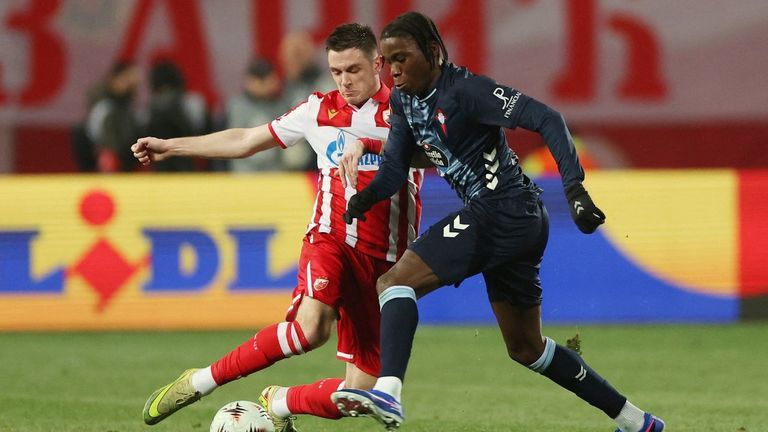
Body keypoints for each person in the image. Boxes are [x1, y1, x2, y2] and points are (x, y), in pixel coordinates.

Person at [331, 12, 665, 432]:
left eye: (403, 57)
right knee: (527, 348)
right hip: (514, 219)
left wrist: (575, 190)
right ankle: (638, 422)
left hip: (502, 209)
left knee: (393, 283)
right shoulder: (403, 101)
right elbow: (397, 169)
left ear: (433, 52)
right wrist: (365, 198)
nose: (393, 69)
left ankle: (389, 393)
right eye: (388, 60)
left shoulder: (468, 91)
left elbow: (548, 118)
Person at [133, 23, 424, 431]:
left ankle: (281, 401)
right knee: (309, 330)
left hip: (387, 265)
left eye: (353, 70)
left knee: (361, 394)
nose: (344, 80)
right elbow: (246, 140)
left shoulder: (410, 110)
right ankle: (200, 381)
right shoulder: (317, 111)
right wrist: (172, 145)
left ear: (377, 64)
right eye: (336, 71)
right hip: (332, 238)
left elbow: (442, 152)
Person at [276, 31, 337, 171]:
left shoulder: (325, 86)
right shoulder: (287, 86)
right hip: (289, 171)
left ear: (310, 55)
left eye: (297, 54)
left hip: (317, 168)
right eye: (287, 55)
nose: (290, 60)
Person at [145, 60, 210, 172]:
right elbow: (204, 131)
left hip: (160, 168)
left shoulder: (150, 107)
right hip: (189, 165)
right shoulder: (193, 103)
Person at [225, 57, 285, 172]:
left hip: (276, 175)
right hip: (243, 174)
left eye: (266, 78)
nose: (261, 84)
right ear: (247, 80)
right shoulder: (235, 107)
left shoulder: (282, 106)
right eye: (258, 79)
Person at [83, 60, 142, 172]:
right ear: (118, 78)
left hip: (128, 157)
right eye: (129, 79)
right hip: (109, 158)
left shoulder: (126, 101)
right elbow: (104, 135)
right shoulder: (104, 106)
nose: (134, 85)